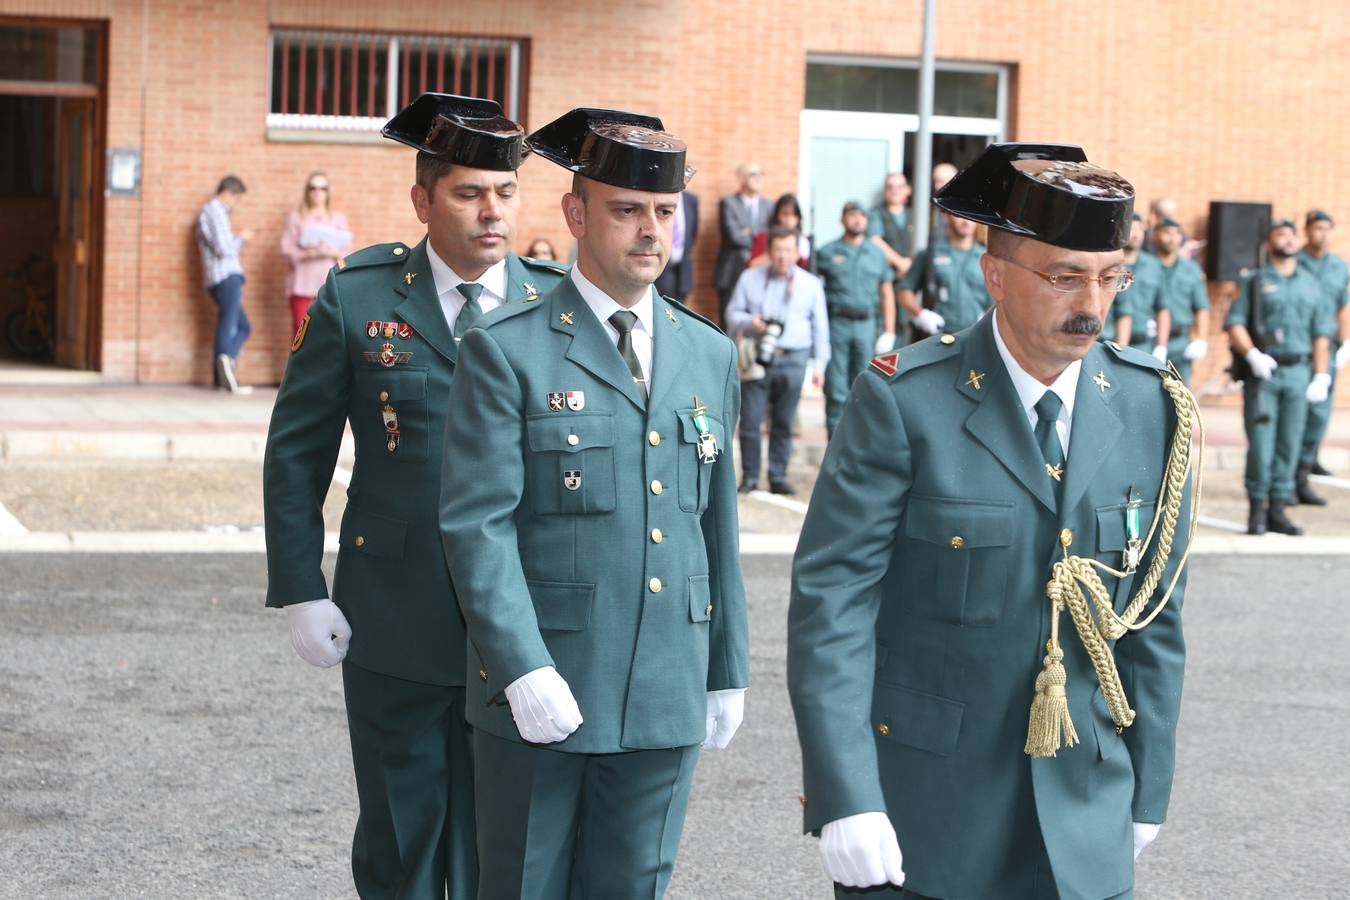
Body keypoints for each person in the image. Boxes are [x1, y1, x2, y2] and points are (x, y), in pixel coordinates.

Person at [788, 143, 1197, 898]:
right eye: (1066, 276)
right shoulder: (907, 400)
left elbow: (1154, 620)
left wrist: (1148, 785)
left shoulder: (1149, 404)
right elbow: (833, 606)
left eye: (1111, 277)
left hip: (1084, 809)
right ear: (996, 273)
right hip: (925, 811)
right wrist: (847, 794)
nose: (1094, 304)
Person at [438, 108, 749, 899]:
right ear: (576, 215)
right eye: (627, 210)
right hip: (550, 683)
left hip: (665, 689)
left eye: (666, 213)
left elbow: (715, 525)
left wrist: (727, 667)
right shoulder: (508, 347)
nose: (651, 231)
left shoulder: (707, 352)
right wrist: (519, 666)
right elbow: (478, 525)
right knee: (523, 885)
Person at [262, 93, 565, 899]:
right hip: (397, 611)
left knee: (509, 835)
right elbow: (297, 450)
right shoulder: (358, 296)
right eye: (469, 193)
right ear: (423, 200)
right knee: (401, 833)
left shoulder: (557, 306)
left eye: (505, 192)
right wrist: (299, 588)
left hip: (529, 620)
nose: (491, 211)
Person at [1226, 218, 1336, 535]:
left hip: (1299, 373)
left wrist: (1321, 374)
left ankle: (1278, 509)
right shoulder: (1255, 281)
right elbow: (1235, 323)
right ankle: (1257, 509)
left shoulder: (1310, 283)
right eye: (1280, 234)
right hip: (1265, 375)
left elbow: (1321, 334)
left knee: (1290, 444)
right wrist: (1251, 355)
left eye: (1291, 234)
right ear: (1269, 243)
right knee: (1261, 447)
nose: (1287, 239)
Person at [725, 225, 830, 495]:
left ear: (797, 252)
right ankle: (749, 476)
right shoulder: (750, 278)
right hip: (758, 356)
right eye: (778, 250)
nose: (783, 256)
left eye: (788, 250)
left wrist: (819, 365)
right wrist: (751, 322)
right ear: (769, 251)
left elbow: (820, 327)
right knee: (751, 420)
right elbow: (731, 314)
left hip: (794, 357)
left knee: (783, 422)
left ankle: (778, 476)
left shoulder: (811, 284)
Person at [816, 200, 895, 437]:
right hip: (837, 323)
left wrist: (889, 330)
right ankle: (834, 445)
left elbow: (886, 291)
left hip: (866, 324)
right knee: (836, 387)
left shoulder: (876, 254)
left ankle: (858, 447)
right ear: (842, 219)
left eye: (862, 215)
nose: (857, 219)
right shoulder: (827, 252)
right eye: (852, 214)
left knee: (864, 385)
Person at [1295, 209, 1350, 494]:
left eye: (1328, 228)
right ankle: (1292, 475)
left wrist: (1346, 340)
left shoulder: (1339, 266)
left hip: (1326, 347)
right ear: (1306, 230)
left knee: (1319, 414)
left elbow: (1344, 306)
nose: (1323, 234)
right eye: (1318, 228)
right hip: (1297, 346)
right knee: (1295, 414)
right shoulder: (1294, 262)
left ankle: (1305, 468)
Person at [196, 175, 254, 393]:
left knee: (242, 326)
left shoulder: (213, 211)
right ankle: (226, 367)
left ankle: (221, 376)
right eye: (237, 199)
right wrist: (242, 239)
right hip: (225, 276)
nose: (236, 205)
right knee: (229, 324)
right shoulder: (215, 210)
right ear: (228, 192)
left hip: (221, 277)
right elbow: (223, 248)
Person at [896, 212, 991, 339]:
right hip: (938, 335)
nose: (966, 221)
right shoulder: (930, 254)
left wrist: (988, 317)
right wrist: (921, 314)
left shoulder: (985, 258)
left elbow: (997, 298)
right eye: (960, 215)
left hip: (974, 336)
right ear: (947, 217)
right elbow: (904, 291)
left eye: (972, 217)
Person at [280, 171, 351, 334]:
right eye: (313, 188)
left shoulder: (338, 219)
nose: (317, 192)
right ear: (307, 191)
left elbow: (348, 252)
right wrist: (307, 254)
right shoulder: (296, 217)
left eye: (322, 188)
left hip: (328, 284)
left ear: (328, 192)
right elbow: (286, 248)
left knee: (328, 332)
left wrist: (334, 252)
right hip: (301, 283)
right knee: (301, 331)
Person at [1151, 217, 1210, 383]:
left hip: (1180, 340)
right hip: (1150, 339)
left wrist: (1201, 339)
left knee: (1181, 400)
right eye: (1167, 233)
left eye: (1177, 234)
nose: (1172, 238)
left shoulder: (1190, 268)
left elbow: (1201, 306)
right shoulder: (1147, 265)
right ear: (1155, 235)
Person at [715, 162, 772, 315]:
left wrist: (748, 232)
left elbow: (770, 239)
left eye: (761, 174)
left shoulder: (769, 206)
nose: (758, 178)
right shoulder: (728, 203)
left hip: (761, 270)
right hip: (732, 270)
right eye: (753, 174)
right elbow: (734, 237)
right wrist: (759, 237)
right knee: (727, 320)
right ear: (741, 178)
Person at [867, 172, 915, 344]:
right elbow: (875, 240)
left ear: (907, 190)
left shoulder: (914, 214)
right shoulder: (876, 213)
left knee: (904, 328)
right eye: (890, 186)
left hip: (908, 282)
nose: (894, 190)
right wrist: (900, 262)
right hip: (885, 282)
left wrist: (911, 266)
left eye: (899, 186)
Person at [1114, 213, 1164, 350]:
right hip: (1109, 341)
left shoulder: (1153, 265)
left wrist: (1161, 346)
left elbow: (1163, 306)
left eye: (1140, 230)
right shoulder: (1110, 264)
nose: (1136, 235)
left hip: (1143, 343)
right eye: (1132, 229)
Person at [747, 193, 814, 271]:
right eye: (785, 214)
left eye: (794, 215)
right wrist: (771, 254)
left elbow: (807, 269)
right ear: (776, 215)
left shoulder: (803, 241)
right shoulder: (763, 237)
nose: (789, 219)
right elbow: (752, 265)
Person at [654, 189, 700, 302]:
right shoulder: (657, 195)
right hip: (659, 270)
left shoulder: (691, 200)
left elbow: (693, 234)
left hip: (682, 270)